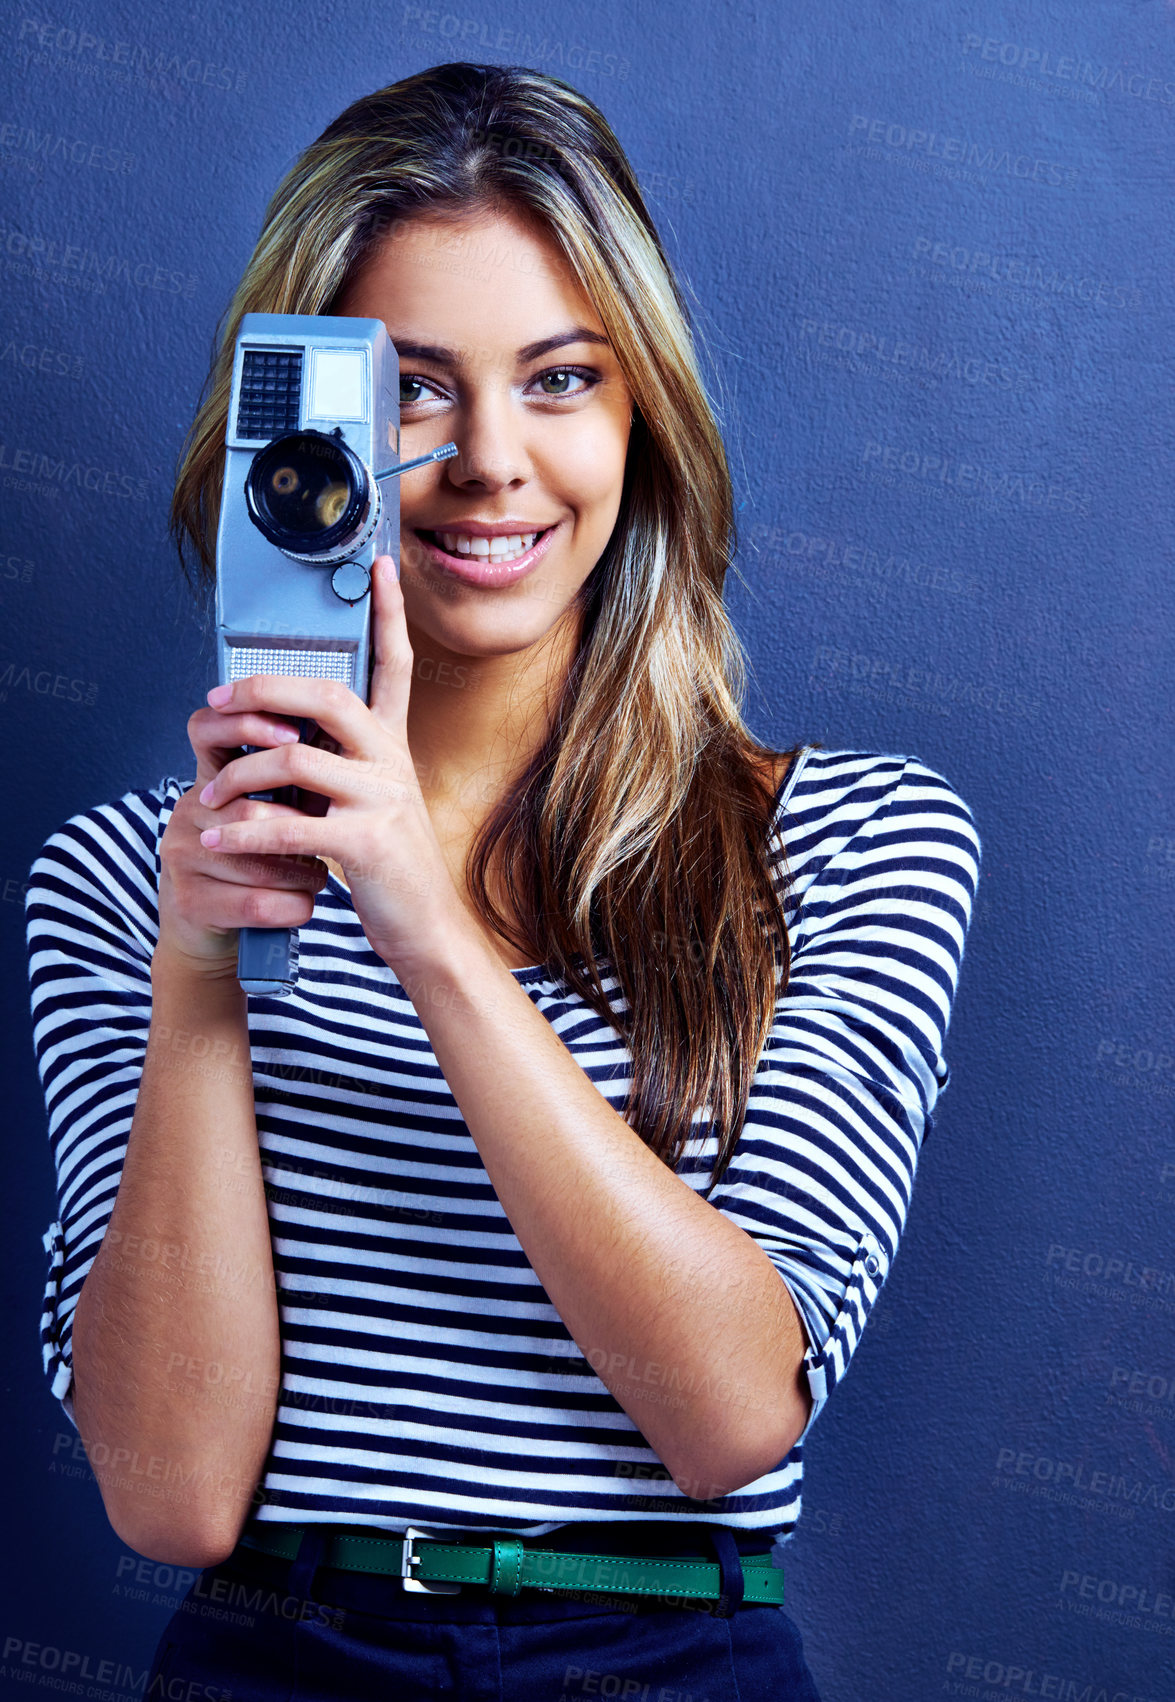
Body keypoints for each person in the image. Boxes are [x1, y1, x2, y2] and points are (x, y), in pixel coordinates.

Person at [25, 61, 981, 1702]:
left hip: (669, 1648)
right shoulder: (123, 878)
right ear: (295, 431)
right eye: (406, 392)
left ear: (641, 416)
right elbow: (172, 1493)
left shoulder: (846, 843)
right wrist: (202, 971)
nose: (487, 460)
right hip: (274, 1654)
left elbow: (733, 1408)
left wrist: (418, 916)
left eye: (558, 379)